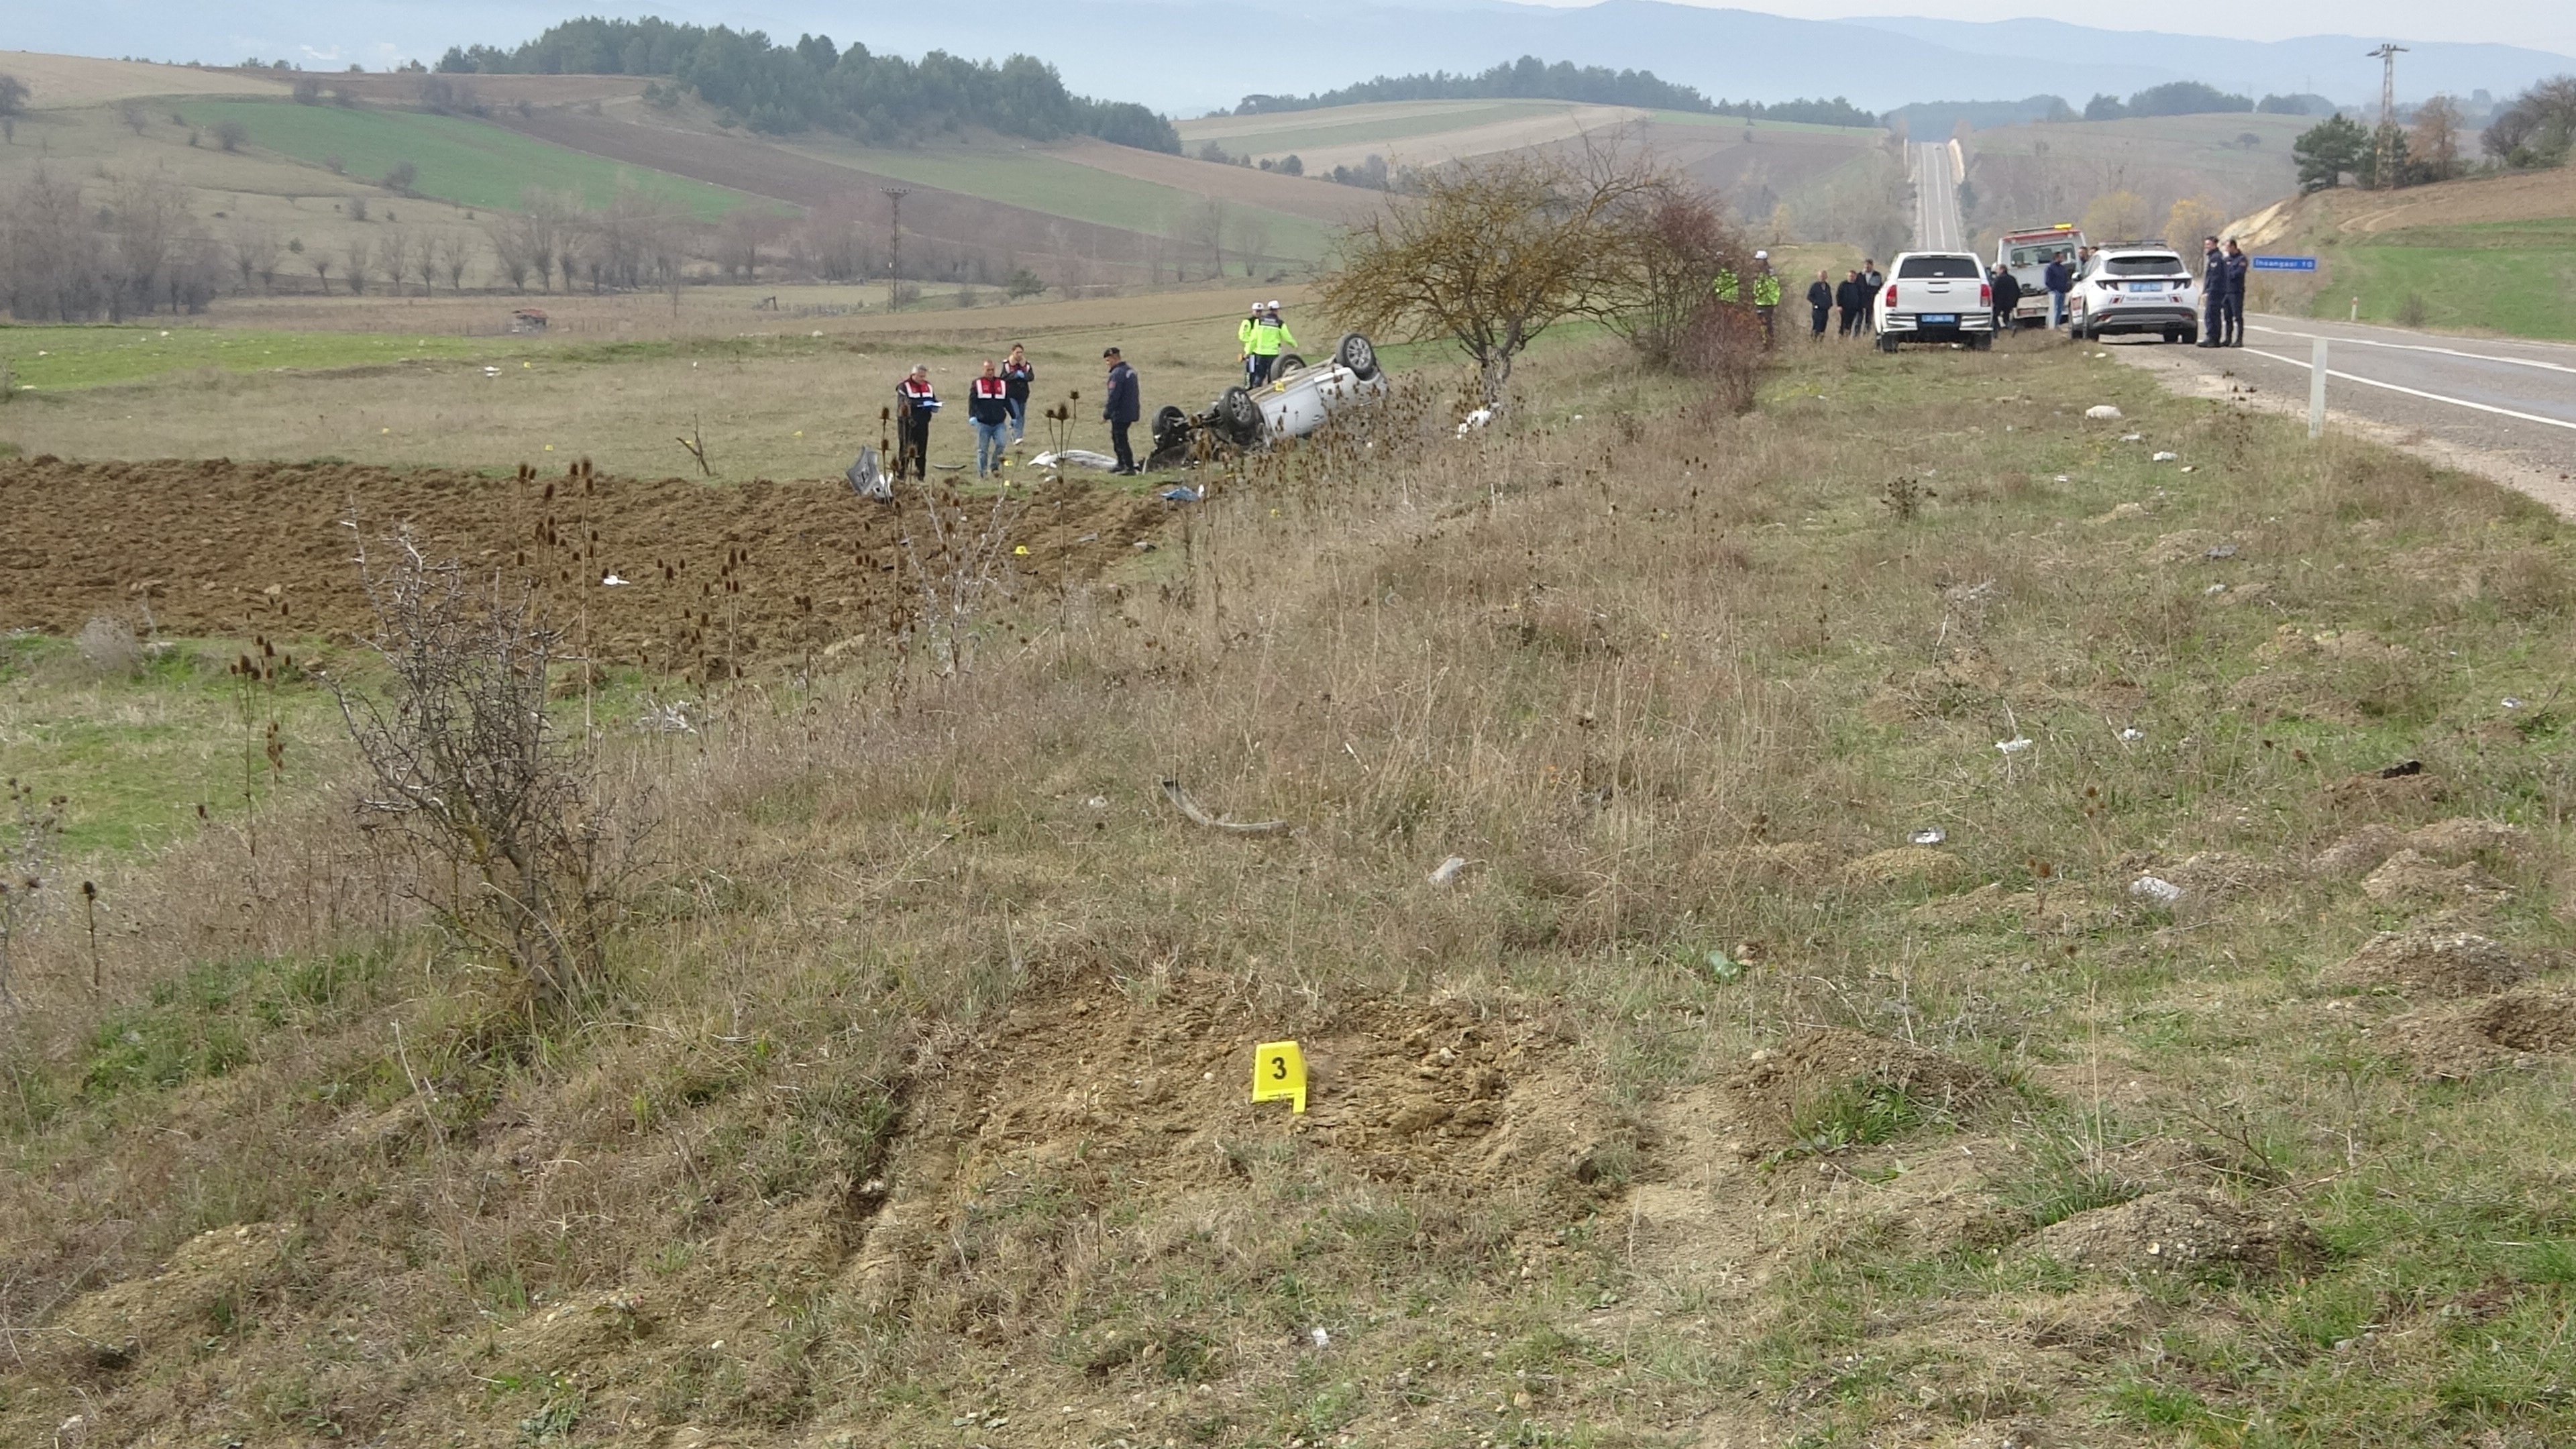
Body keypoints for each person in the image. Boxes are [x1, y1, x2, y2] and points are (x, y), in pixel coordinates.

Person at [967, 360, 1011, 478]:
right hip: (983, 423)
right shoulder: (977, 384)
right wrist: (972, 416)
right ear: (984, 370)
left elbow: (1007, 401)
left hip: (999, 423)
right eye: (988, 370)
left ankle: (994, 466)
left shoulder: (1002, 383)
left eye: (992, 370)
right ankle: (982, 474)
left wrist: (1014, 416)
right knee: (983, 450)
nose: (991, 372)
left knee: (1001, 444)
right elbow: (972, 401)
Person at [894, 364, 938, 480]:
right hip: (907, 423)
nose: (922, 379)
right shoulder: (903, 387)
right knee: (905, 449)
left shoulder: (928, 386)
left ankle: (920, 475)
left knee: (922, 450)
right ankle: (901, 475)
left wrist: (935, 405)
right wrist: (921, 404)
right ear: (913, 375)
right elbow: (905, 402)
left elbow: (933, 399)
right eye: (920, 376)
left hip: (923, 423)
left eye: (924, 376)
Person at [1102, 345, 1140, 475]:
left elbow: (1114, 396)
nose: (1107, 364)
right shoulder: (1130, 371)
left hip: (1121, 412)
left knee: (1120, 439)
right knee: (1118, 437)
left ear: (1114, 358)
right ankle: (1121, 463)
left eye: (1108, 360)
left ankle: (1128, 466)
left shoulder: (1117, 374)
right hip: (1131, 410)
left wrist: (1107, 414)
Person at [1248, 301, 1296, 384]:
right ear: (1277, 310)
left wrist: (1249, 351)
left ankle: (1255, 392)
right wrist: (1295, 344)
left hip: (1260, 353)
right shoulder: (1279, 323)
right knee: (1272, 376)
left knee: (1259, 376)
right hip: (1273, 354)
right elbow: (1287, 337)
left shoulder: (1259, 321)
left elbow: (1253, 338)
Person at [1000, 343, 1034, 443]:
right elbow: (1003, 377)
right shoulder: (1007, 364)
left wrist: (1024, 376)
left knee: (1022, 415)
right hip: (1011, 394)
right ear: (1013, 352)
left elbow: (1031, 377)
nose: (1019, 355)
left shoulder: (1027, 365)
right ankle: (1017, 436)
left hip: (1023, 394)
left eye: (1021, 352)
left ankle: (1017, 435)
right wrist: (1014, 375)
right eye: (1017, 352)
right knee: (1016, 414)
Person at [1750, 250, 1782, 349]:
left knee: (1767, 323)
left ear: (1763, 260)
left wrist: (1774, 301)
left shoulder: (1769, 272)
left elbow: (1774, 288)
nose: (1756, 262)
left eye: (1758, 260)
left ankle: (1769, 343)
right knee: (1762, 324)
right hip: (1759, 301)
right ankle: (1765, 343)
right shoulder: (1759, 272)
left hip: (1767, 303)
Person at [2198, 235, 2225, 347]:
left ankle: (2212, 339)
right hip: (2213, 291)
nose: (2206, 247)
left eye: (2208, 245)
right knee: (2212, 314)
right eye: (2206, 245)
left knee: (2212, 315)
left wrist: (2209, 291)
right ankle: (2212, 338)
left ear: (2214, 245)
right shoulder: (2213, 257)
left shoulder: (2216, 258)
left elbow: (2215, 277)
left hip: (2215, 292)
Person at [2222, 238, 2249, 347]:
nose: (2226, 249)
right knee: (2227, 316)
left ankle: (2239, 340)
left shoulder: (2241, 259)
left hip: (2236, 292)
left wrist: (2227, 275)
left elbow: (2238, 273)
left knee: (2237, 316)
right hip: (2226, 292)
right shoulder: (2226, 259)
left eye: (2228, 246)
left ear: (2233, 246)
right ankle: (2228, 339)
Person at [2043, 251, 2073, 330]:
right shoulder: (2050, 268)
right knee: (2054, 308)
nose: (2063, 258)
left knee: (2060, 309)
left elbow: (2065, 278)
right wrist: (2054, 289)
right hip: (2056, 292)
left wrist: (2066, 288)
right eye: (2061, 257)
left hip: (2062, 291)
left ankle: (2057, 324)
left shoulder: (2062, 268)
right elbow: (2048, 281)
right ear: (2056, 258)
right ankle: (2052, 325)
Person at [1237, 301, 1263, 387]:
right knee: (1250, 371)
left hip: (1261, 350)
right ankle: (1248, 387)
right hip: (1251, 352)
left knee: (1260, 371)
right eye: (1257, 311)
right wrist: (1252, 340)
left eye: (1260, 311)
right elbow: (1242, 336)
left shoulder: (1264, 321)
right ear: (1253, 311)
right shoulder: (1248, 322)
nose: (1258, 313)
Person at [1989, 262, 2021, 334]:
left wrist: (1993, 301)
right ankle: (2011, 327)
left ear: (2002, 270)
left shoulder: (1998, 280)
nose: (1996, 272)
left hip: (1999, 303)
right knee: (2006, 317)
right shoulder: (2012, 279)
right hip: (2010, 303)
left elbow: (1994, 291)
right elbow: (2018, 291)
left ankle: (1996, 333)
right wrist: (2015, 302)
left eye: (1997, 270)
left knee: (1994, 317)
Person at [1835, 269, 1866, 337]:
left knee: (1851, 325)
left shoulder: (1858, 286)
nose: (1851, 278)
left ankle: (1848, 337)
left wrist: (1861, 307)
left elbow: (1861, 297)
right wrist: (1839, 305)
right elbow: (1838, 295)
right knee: (1844, 324)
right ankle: (1842, 338)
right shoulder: (1843, 285)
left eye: (1853, 276)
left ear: (1856, 277)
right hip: (1845, 308)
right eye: (1850, 276)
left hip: (1854, 309)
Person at [1807, 269, 1833, 339]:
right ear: (1818, 277)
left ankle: (1820, 342)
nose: (1822, 277)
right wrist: (1816, 303)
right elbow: (1809, 296)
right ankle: (1813, 341)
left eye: (1824, 276)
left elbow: (1829, 296)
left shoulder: (1827, 286)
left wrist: (1830, 304)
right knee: (1816, 326)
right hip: (1817, 310)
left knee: (1823, 326)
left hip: (1825, 310)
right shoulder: (1815, 286)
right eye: (1821, 276)